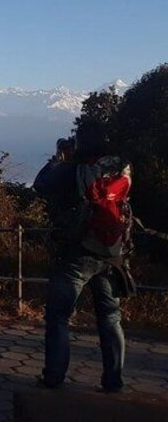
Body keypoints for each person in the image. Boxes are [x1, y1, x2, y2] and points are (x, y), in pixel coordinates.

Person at [33, 129, 131, 392]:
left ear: (79, 147)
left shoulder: (71, 169)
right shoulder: (120, 169)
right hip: (112, 254)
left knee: (59, 317)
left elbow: (40, 185)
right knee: (110, 318)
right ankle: (114, 380)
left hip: (75, 255)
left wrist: (58, 159)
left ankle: (54, 376)